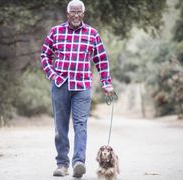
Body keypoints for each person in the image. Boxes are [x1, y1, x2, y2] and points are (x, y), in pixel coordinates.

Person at [40, 0, 114, 178]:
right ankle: (62, 164)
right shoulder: (56, 32)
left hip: (82, 86)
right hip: (60, 85)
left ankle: (79, 162)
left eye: (79, 12)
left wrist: (106, 82)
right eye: (72, 12)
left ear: (83, 13)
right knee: (61, 126)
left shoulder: (92, 34)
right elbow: (45, 55)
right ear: (67, 14)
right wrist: (53, 75)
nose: (76, 15)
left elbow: (101, 60)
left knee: (81, 125)